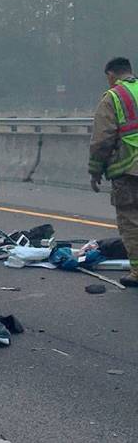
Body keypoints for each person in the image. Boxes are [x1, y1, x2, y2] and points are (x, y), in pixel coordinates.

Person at [89, 57, 138, 287]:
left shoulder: (114, 97)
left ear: (111, 75)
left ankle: (137, 272)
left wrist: (95, 170)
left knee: (131, 221)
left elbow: (102, 140)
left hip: (129, 170)